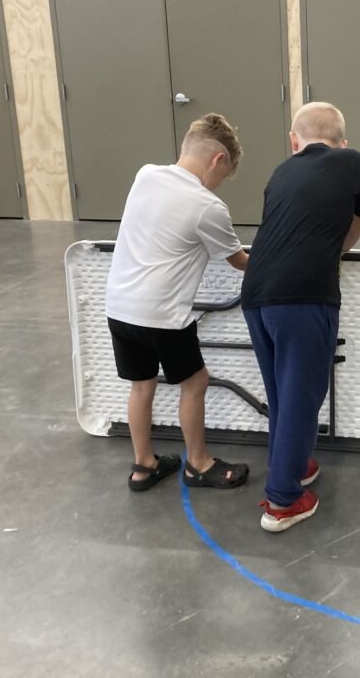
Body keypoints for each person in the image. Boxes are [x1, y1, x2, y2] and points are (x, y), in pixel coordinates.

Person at [241, 102, 360, 532]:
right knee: (302, 396)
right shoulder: (351, 161)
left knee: (282, 392)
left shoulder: (281, 171)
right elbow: (355, 225)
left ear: (294, 141)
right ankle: (282, 499)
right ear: (341, 142)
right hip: (304, 295)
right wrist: (331, 252)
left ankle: (293, 465)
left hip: (256, 291)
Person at [105, 113, 250, 493]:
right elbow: (240, 262)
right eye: (224, 175)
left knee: (141, 386)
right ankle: (198, 464)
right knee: (195, 381)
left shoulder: (146, 175)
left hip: (119, 307)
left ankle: (143, 466)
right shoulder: (207, 206)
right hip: (162, 316)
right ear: (218, 159)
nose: (219, 184)